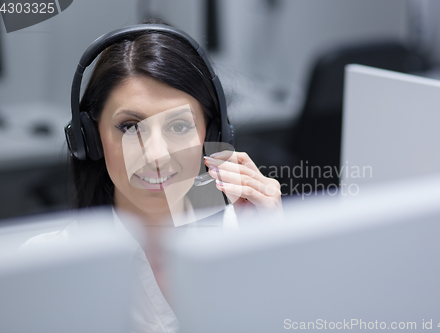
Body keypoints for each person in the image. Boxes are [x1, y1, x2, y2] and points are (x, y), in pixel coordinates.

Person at [22, 20, 282, 333]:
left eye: (179, 126)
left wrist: (275, 254)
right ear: (90, 139)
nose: (156, 155)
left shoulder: (250, 236)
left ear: (210, 134)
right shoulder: (46, 267)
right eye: (130, 127)